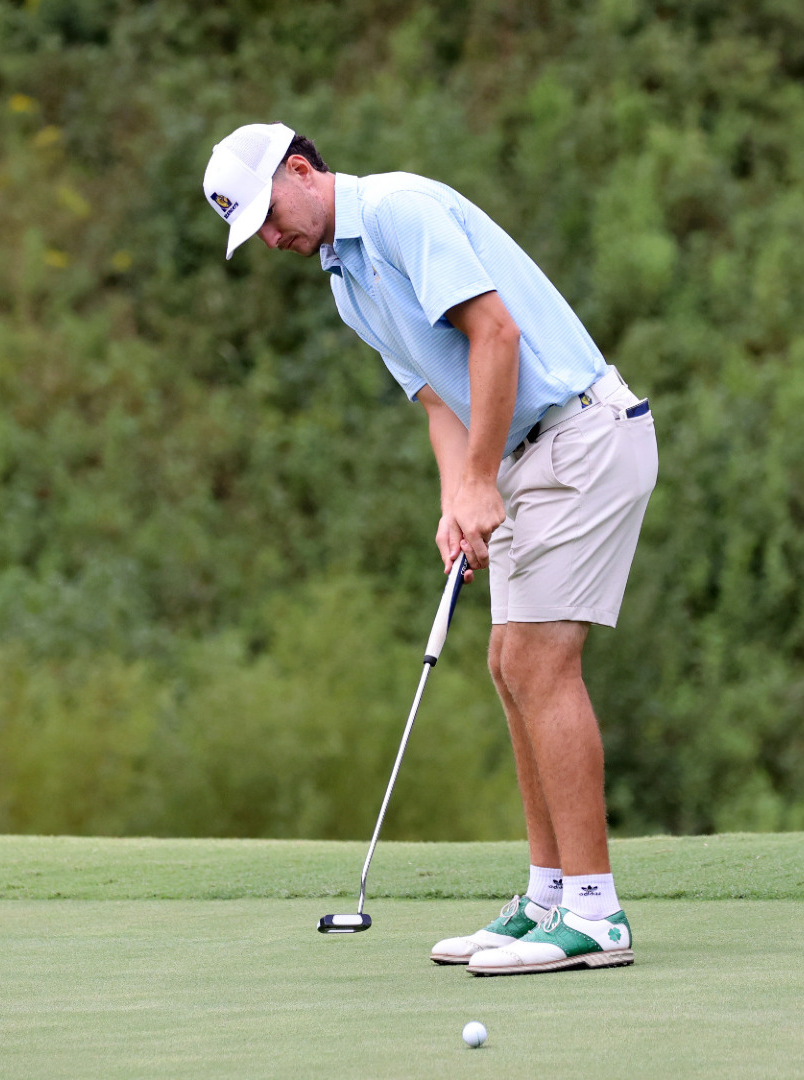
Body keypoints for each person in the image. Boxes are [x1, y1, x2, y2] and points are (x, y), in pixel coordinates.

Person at [203, 122, 657, 975]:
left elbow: (497, 337)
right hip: (525, 454)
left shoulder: (401, 211)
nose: (272, 238)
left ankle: (596, 913)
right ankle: (548, 895)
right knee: (505, 664)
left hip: (581, 435)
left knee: (537, 665)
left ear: (303, 172)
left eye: (270, 214)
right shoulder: (345, 281)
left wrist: (483, 478)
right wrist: (460, 492)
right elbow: (437, 398)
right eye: (255, 232)